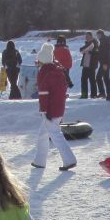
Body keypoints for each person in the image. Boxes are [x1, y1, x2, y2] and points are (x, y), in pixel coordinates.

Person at [31, 43, 77, 171]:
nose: (37, 63)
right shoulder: (58, 71)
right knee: (43, 134)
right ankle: (39, 161)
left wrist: (44, 110)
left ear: (43, 60)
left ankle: (69, 160)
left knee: (55, 135)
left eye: (38, 61)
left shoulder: (44, 73)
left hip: (50, 110)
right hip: (58, 108)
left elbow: (44, 94)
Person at [78, 33, 98, 99]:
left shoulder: (94, 43)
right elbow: (81, 50)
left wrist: (91, 52)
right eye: (86, 36)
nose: (87, 38)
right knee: (83, 80)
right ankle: (84, 95)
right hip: (85, 65)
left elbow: (97, 52)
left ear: (91, 37)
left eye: (88, 36)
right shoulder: (87, 44)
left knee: (92, 80)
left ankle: (94, 95)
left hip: (91, 65)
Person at [95, 29, 110, 99]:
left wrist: (105, 63)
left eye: (98, 35)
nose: (97, 36)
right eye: (97, 35)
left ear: (101, 34)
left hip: (105, 63)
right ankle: (109, 93)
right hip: (106, 62)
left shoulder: (104, 41)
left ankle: (102, 93)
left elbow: (106, 53)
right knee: (106, 78)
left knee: (98, 77)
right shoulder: (104, 41)